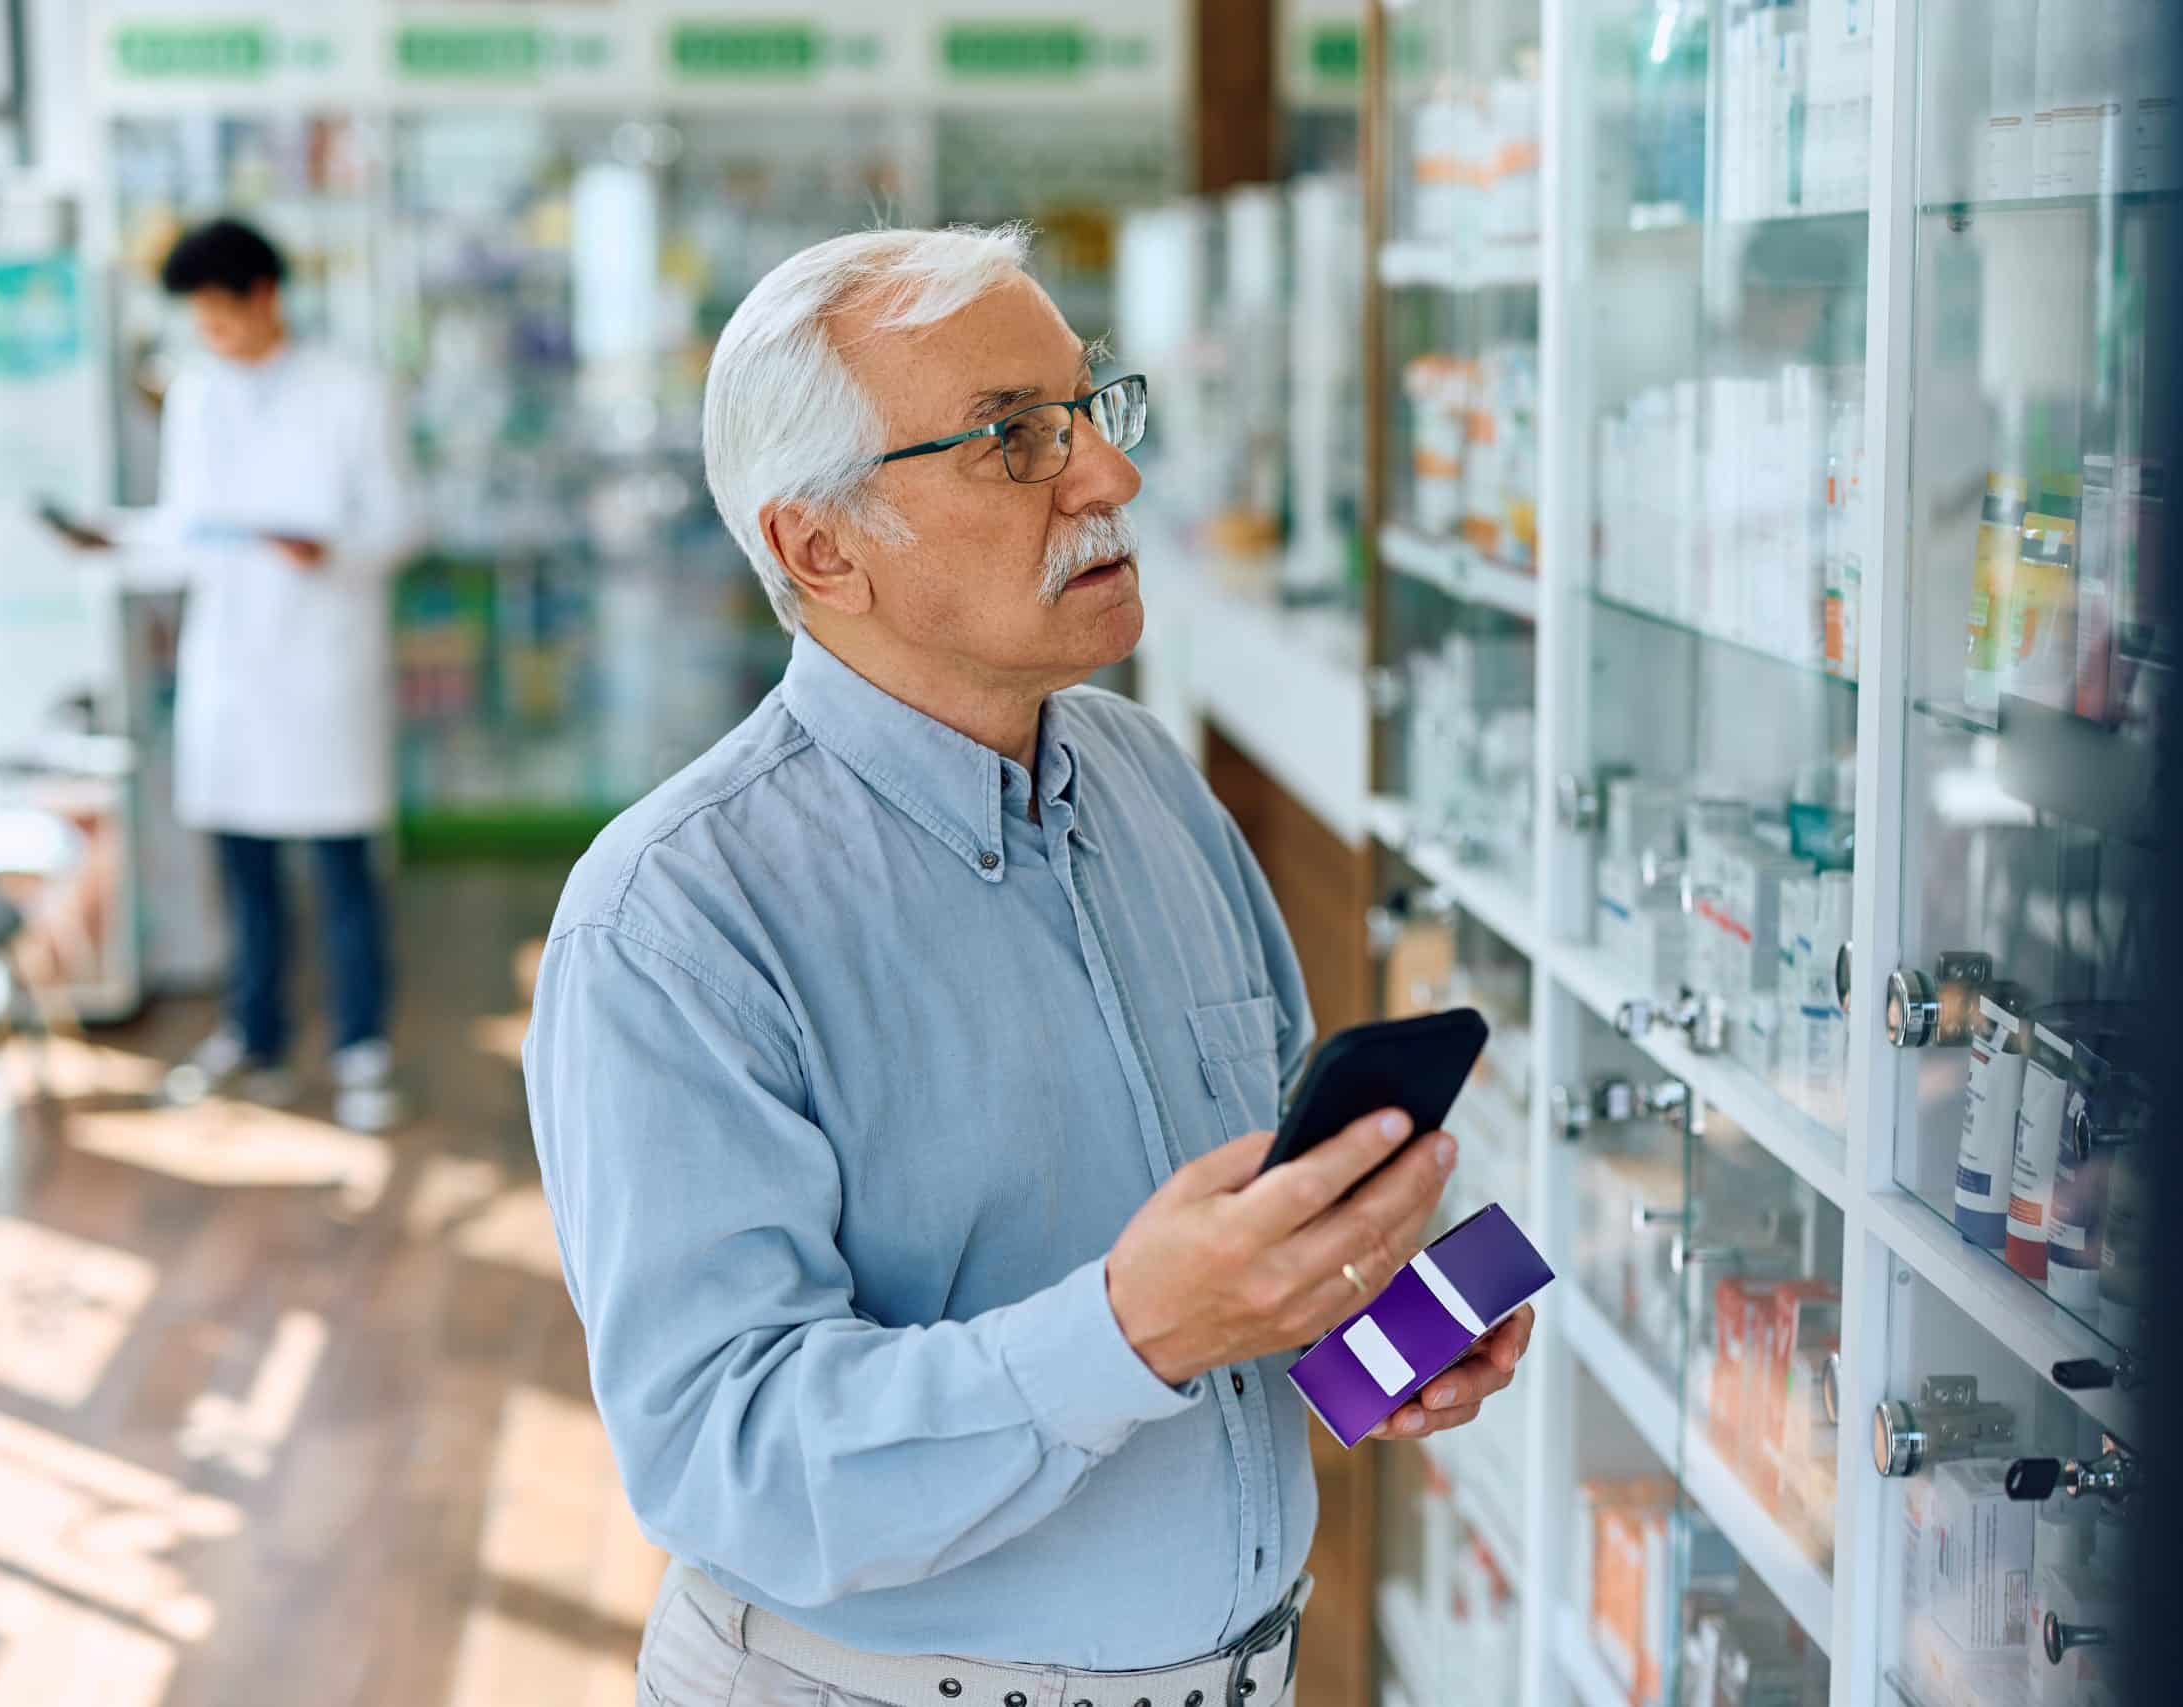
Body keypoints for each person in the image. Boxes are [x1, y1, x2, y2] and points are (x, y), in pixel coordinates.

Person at [524, 225, 1534, 1707]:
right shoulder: (673, 919)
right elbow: (725, 1458)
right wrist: (1133, 1327)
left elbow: (1246, 1234)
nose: (1110, 479)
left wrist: (1373, 1322)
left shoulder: (1146, 781)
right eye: (1013, 440)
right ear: (819, 543)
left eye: (1087, 410)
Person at [60, 218, 422, 1132]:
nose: (213, 339)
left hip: (322, 660)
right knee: (245, 869)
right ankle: (254, 1035)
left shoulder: (354, 390)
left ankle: (361, 1047)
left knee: (343, 872)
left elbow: (405, 521)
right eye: (201, 326)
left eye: (222, 318)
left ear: (266, 296)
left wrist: (329, 549)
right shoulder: (197, 398)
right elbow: (189, 533)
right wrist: (112, 540)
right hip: (231, 666)